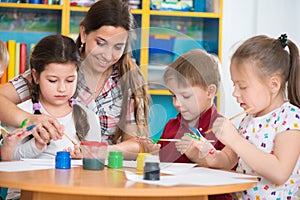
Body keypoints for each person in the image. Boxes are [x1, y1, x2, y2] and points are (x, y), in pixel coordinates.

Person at [0, 0, 150, 160]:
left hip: (101, 173)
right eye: (100, 43)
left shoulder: (127, 80)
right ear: (84, 34)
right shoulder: (60, 66)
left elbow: (136, 143)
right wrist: (29, 119)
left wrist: (98, 151)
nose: (107, 55)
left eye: (118, 47)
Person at [198, 34, 300, 199]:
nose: (235, 93)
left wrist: (236, 140)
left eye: (243, 86)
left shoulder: (290, 118)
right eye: (234, 85)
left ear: (273, 85)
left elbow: (280, 172)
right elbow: (227, 159)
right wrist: (207, 154)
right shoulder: (248, 119)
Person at [139, 49, 225, 164]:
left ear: (209, 92)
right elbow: (164, 163)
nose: (177, 103)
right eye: (173, 95)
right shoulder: (171, 126)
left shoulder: (223, 130)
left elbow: (230, 168)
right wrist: (153, 153)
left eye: (185, 96)